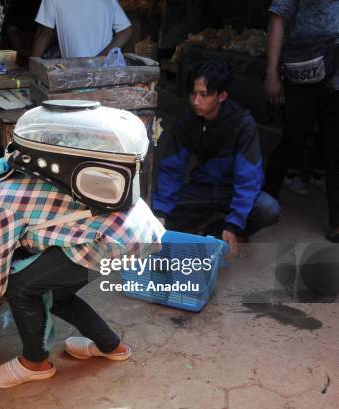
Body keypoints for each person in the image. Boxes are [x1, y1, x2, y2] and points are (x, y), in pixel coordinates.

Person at [0, 146, 164, 388]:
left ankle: (35, 363)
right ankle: (110, 345)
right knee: (56, 291)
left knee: (20, 286)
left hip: (111, 240)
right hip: (135, 227)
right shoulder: (4, 170)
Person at [152, 60, 280, 255]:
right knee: (154, 211)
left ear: (222, 96)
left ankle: (223, 229)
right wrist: (160, 213)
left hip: (231, 191)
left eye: (204, 95)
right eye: (193, 93)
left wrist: (235, 224)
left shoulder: (242, 124)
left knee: (268, 208)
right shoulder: (187, 120)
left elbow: (248, 178)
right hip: (202, 188)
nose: (196, 101)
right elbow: (171, 167)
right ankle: (208, 223)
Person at [262, 0, 339, 242]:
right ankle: (263, 201)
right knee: (293, 140)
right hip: (305, 65)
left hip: (337, 77)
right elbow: (278, 19)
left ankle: (337, 223)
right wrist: (272, 72)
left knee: (335, 151)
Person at [31, 0, 133, 58]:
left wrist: (32, 67)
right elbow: (126, 30)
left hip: (74, 74)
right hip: (105, 72)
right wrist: (100, 58)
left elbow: (44, 33)